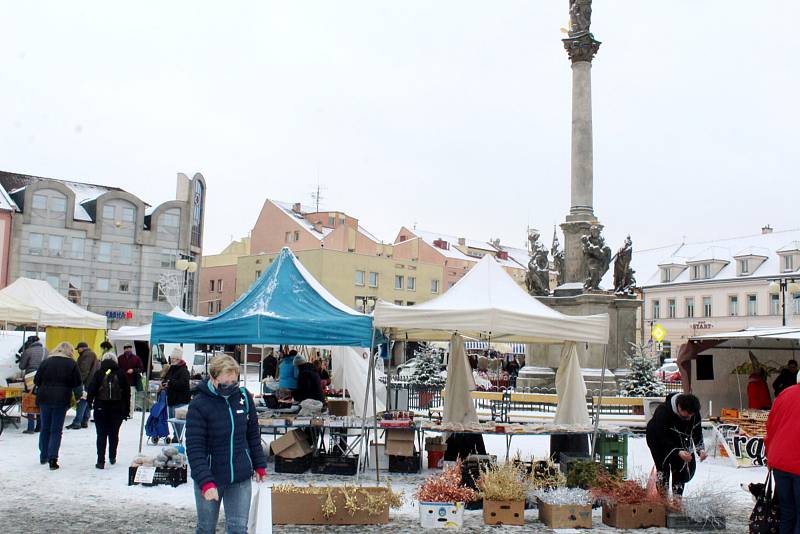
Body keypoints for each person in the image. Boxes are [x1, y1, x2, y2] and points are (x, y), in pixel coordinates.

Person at [186, 355, 267, 534]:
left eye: (234, 382)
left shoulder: (243, 398)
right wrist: (206, 482)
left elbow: (252, 434)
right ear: (213, 379)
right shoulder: (199, 404)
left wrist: (259, 464)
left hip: (239, 476)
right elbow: (194, 448)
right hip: (211, 476)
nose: (230, 387)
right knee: (206, 528)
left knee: (238, 529)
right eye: (225, 384)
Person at [645, 392, 707, 496]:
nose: (689, 418)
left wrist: (700, 449)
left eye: (691, 415)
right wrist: (677, 451)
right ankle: (663, 500)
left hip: (679, 438)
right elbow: (663, 436)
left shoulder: (693, 413)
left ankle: (677, 500)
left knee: (680, 468)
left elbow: (696, 432)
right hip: (657, 439)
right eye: (687, 416)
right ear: (679, 407)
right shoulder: (663, 411)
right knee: (663, 469)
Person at [33, 342, 82, 470]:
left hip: (44, 398)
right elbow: (77, 383)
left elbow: (36, 380)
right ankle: (53, 459)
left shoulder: (46, 362)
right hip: (61, 399)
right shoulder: (71, 363)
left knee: (45, 428)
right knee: (56, 430)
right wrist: (77, 397)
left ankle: (43, 455)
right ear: (70, 351)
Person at [765, 380, 800, 534]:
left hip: (779, 461)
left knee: (787, 512)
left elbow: (770, 426)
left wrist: (769, 454)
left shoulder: (785, 393)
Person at [86, 352, 130, 469]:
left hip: (101, 407)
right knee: (114, 433)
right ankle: (112, 456)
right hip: (117, 407)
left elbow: (92, 389)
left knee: (101, 434)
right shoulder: (121, 373)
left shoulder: (99, 373)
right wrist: (126, 410)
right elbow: (127, 393)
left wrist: (90, 403)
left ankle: (100, 460)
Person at [18, 335, 48, 434]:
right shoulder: (45, 350)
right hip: (43, 376)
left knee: (30, 398)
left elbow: (21, 366)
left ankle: (30, 427)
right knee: (40, 400)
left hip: (31, 377)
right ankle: (39, 426)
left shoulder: (28, 351)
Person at [162, 347, 191, 443]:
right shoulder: (171, 369)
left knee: (179, 420)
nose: (172, 359)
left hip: (180, 400)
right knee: (172, 419)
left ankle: (178, 437)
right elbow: (166, 379)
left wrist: (170, 383)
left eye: (174, 358)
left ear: (178, 359)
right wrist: (164, 383)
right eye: (172, 358)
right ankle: (176, 435)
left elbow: (183, 384)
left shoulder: (184, 371)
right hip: (171, 399)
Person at [67, 341, 98, 429]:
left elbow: (84, 370)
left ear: (82, 348)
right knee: (86, 401)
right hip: (90, 382)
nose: (78, 351)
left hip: (85, 382)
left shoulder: (87, 355)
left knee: (82, 401)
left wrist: (79, 381)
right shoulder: (90, 354)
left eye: (78, 349)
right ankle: (84, 421)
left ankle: (77, 422)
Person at [118, 344, 144, 418]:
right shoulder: (120, 358)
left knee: (131, 398)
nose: (128, 350)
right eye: (127, 349)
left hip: (132, 381)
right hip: (122, 382)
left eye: (130, 348)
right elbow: (117, 368)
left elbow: (141, 368)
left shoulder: (136, 358)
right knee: (122, 398)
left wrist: (133, 370)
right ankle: (122, 412)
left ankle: (130, 413)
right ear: (124, 350)